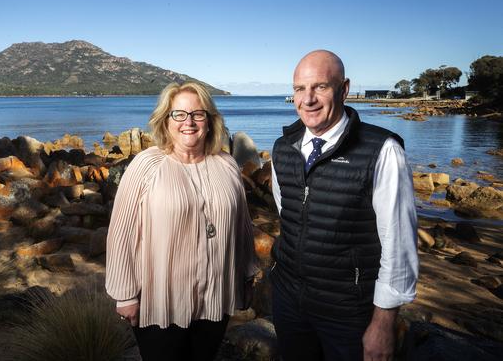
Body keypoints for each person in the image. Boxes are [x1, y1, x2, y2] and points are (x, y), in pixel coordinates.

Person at [270, 50, 419, 361]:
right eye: (299, 89)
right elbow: (289, 216)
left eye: (320, 87)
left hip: (349, 312)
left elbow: (399, 243)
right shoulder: (283, 149)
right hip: (289, 303)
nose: (307, 99)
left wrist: (383, 321)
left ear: (344, 89)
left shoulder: (382, 151)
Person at [106, 81, 258, 361]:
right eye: (179, 114)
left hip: (215, 297)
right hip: (161, 301)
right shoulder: (146, 165)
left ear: (210, 121)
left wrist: (247, 276)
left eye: (198, 114)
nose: (189, 121)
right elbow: (121, 232)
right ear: (166, 121)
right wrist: (125, 294)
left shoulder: (227, 165)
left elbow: (243, 227)